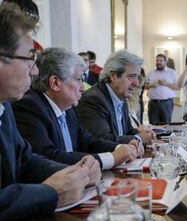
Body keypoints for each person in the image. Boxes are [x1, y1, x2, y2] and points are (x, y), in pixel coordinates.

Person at [0, 3, 100, 221]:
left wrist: (77, 172)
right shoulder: (22, 105)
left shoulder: (4, 108)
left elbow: (25, 160)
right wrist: (49, 192)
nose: (35, 71)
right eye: (29, 59)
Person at [12, 47, 141, 169]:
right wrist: (111, 158)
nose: (83, 88)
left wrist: (120, 147)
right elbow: (48, 156)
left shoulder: (67, 107)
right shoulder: (29, 107)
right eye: (78, 79)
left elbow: (88, 142)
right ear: (55, 83)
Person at [77, 50, 155, 145]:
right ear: (113, 76)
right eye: (131, 77)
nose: (136, 83)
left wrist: (144, 135)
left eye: (138, 77)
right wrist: (138, 138)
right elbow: (101, 140)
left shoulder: (121, 96)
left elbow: (127, 131)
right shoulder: (94, 100)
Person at [145, 53, 178, 124]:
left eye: (161, 60)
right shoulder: (150, 73)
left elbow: (177, 87)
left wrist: (165, 83)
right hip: (153, 103)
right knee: (153, 126)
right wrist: (152, 85)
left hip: (167, 103)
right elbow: (144, 86)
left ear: (165, 62)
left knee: (166, 125)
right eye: (157, 60)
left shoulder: (172, 72)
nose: (159, 62)